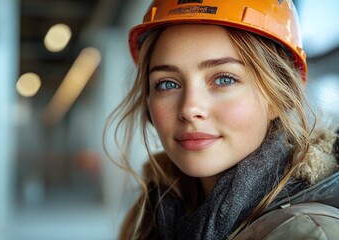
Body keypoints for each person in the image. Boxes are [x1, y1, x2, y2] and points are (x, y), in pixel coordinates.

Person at [104, 0, 339, 239]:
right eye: (167, 83)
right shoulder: (157, 216)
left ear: (279, 97)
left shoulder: (307, 233)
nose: (189, 108)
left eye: (224, 79)